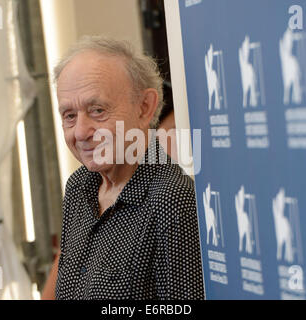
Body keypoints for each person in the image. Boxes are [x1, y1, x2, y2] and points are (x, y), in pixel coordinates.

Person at [41, 36, 204, 300]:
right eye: (69, 116)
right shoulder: (79, 186)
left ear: (144, 107)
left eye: (97, 110)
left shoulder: (173, 199)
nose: (81, 132)